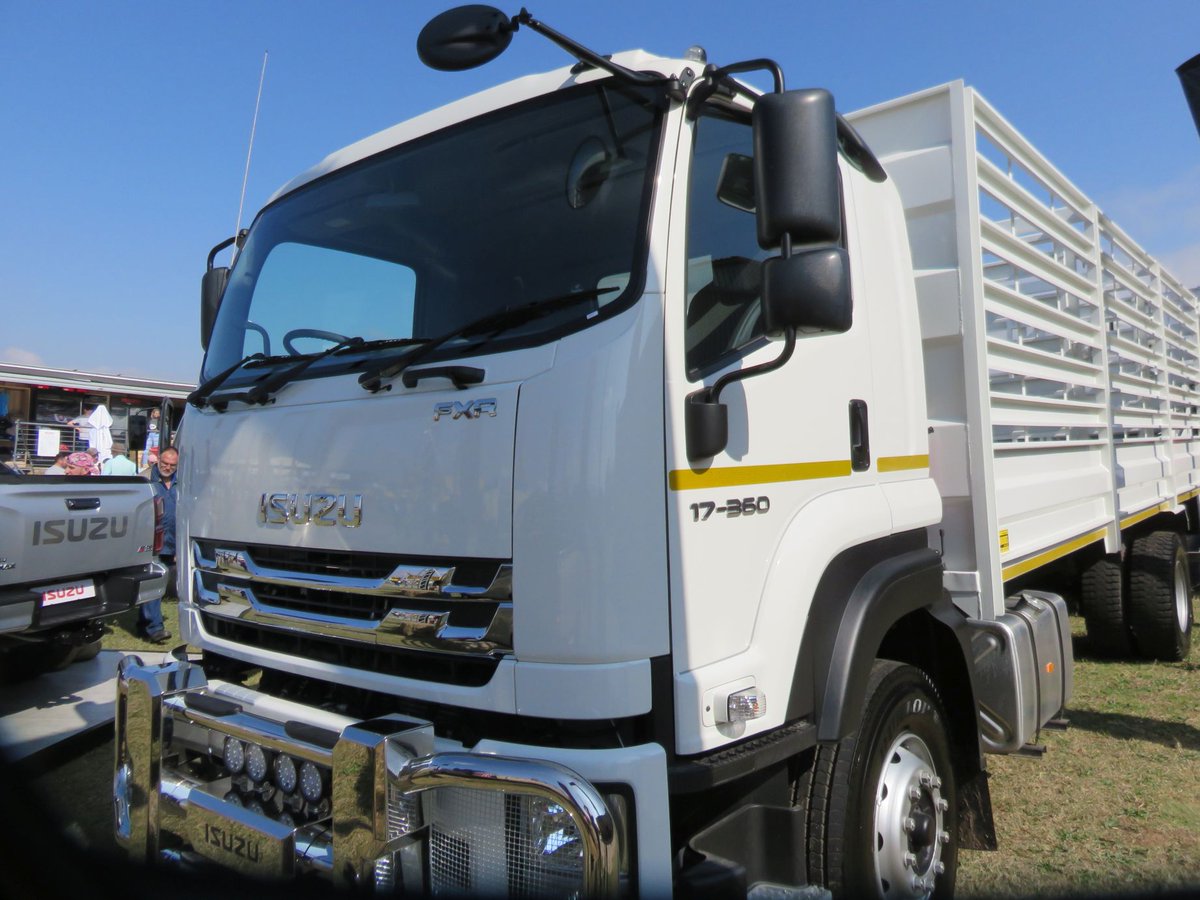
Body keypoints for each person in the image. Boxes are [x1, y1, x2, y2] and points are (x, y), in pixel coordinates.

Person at [138, 445, 178, 644]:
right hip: (151, 541)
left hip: (173, 542)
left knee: (158, 586)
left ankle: (143, 623)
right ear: (157, 461)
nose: (168, 467)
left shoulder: (182, 483)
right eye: (165, 463)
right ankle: (155, 628)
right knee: (153, 583)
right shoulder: (145, 480)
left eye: (172, 465)